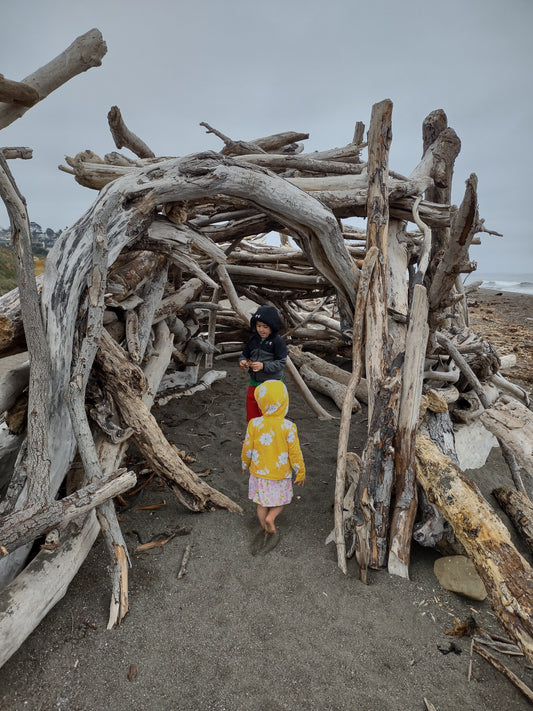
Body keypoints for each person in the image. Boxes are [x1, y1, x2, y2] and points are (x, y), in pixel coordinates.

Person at [241, 379, 305, 555]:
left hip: (259, 473)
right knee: (281, 501)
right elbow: (295, 453)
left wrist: (244, 464)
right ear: (284, 402)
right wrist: (300, 472)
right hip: (279, 474)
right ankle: (272, 518)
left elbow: (247, 447)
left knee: (262, 503)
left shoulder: (254, 424)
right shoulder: (289, 427)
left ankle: (264, 526)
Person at [239, 305, 287, 422]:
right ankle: (253, 436)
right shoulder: (253, 340)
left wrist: (263, 366)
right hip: (254, 383)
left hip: (271, 385)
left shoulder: (278, 342)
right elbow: (244, 354)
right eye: (259, 326)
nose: (261, 329)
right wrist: (243, 361)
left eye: (265, 327)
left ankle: (267, 438)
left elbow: (281, 363)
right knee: (252, 410)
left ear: (273, 327)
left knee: (268, 414)